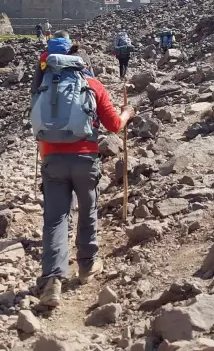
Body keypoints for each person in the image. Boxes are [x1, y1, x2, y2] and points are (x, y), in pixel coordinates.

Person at [30, 40, 135, 309]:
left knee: (55, 219)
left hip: (52, 159)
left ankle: (52, 279)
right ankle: (87, 265)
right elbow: (112, 126)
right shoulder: (92, 84)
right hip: (85, 158)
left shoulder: (44, 84)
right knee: (87, 209)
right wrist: (127, 114)